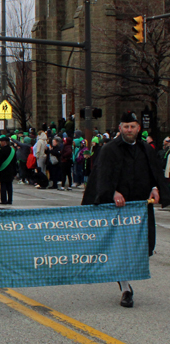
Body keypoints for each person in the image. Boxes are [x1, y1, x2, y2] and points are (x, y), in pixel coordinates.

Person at [82, 111, 170, 308]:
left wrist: (155, 189)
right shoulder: (109, 150)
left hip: (140, 209)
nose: (129, 130)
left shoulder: (146, 149)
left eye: (132, 126)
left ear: (138, 128)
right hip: (118, 210)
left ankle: (126, 281)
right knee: (119, 249)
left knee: (142, 248)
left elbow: (153, 174)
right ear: (120, 128)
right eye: (125, 126)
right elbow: (101, 177)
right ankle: (126, 289)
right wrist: (112, 192)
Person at [0, 137, 17, 205]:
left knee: (3, 186)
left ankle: (3, 200)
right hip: (10, 170)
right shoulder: (12, 150)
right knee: (9, 186)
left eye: (1, 142)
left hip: (3, 170)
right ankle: (10, 200)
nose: (0, 143)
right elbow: (14, 161)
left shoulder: (1, 150)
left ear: (4, 142)